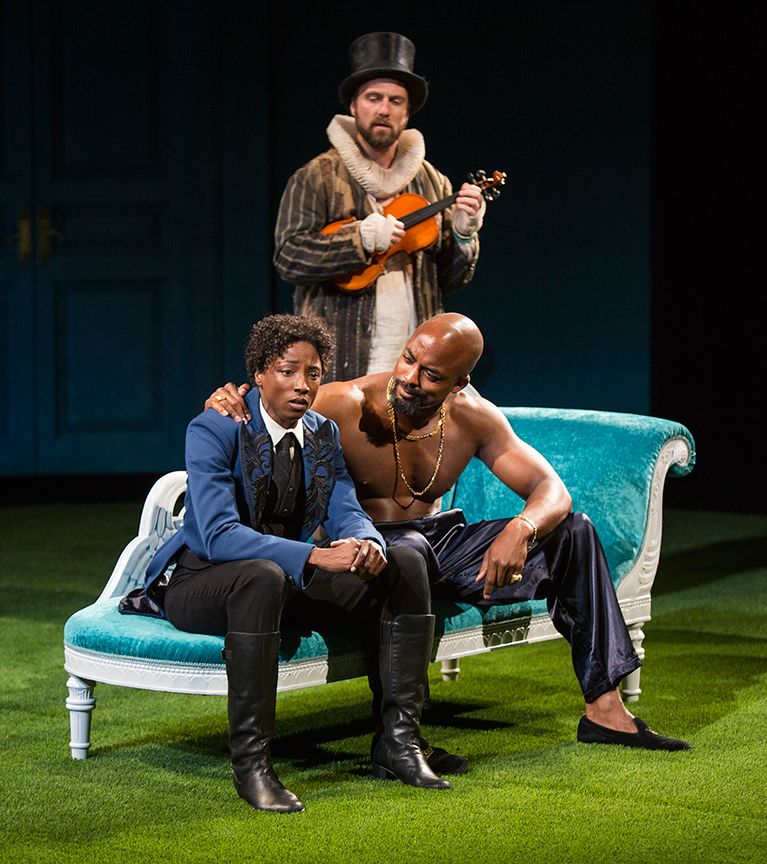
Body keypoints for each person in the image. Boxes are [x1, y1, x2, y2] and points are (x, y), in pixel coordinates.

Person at [206, 312, 691, 753]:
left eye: (431, 376)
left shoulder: (472, 417)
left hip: (439, 546)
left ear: (460, 383)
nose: (410, 379)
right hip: (367, 554)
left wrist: (521, 528)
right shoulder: (343, 403)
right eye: (408, 360)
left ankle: (605, 711)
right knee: (409, 549)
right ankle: (400, 736)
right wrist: (227, 396)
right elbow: (267, 405)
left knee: (574, 531)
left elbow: (551, 489)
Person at [126, 314, 453, 815]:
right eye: (287, 371)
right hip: (203, 582)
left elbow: (345, 507)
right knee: (261, 574)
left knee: (404, 559)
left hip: (285, 583)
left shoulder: (322, 433)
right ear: (258, 373)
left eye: (314, 373)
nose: (302, 385)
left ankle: (398, 743)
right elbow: (216, 535)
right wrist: (318, 555)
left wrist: (367, 545)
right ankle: (253, 766)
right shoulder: (216, 427)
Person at [273, 31, 487, 382]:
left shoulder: (434, 183)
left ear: (408, 113)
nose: (384, 109)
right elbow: (289, 256)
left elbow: (449, 280)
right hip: (341, 357)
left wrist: (464, 236)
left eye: (396, 101)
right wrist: (358, 240)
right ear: (354, 105)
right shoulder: (317, 177)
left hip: (414, 360)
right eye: (374, 98)